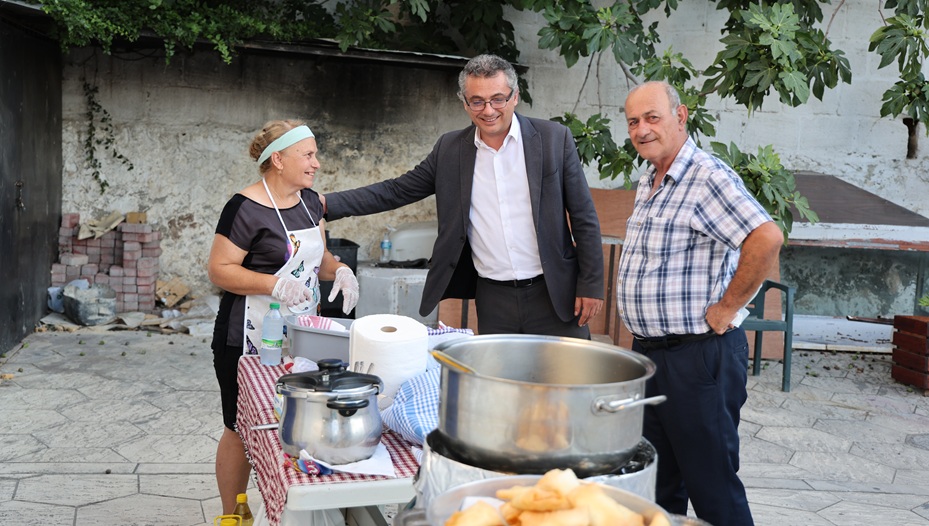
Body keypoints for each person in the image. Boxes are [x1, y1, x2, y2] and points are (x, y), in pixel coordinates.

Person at [322, 54, 604, 337]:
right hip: (494, 298)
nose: (488, 110)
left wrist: (591, 285)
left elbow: (583, 216)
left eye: (498, 99)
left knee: (569, 379)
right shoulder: (450, 149)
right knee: (500, 380)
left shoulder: (554, 138)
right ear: (465, 103)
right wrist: (326, 204)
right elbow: (396, 190)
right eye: (477, 101)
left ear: (515, 97)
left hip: (555, 292)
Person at [617, 81, 783, 526]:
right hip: (652, 356)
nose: (642, 129)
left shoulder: (706, 176)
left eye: (652, 117)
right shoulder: (649, 177)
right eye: (633, 121)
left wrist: (729, 306)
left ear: (681, 115)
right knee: (657, 487)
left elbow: (766, 238)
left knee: (713, 489)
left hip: (698, 357)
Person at [207, 120, 359, 514]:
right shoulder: (244, 208)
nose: (317, 164)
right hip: (248, 336)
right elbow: (220, 269)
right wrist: (272, 285)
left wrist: (339, 269)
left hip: (304, 335)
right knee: (240, 426)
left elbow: (318, 257)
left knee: (301, 420)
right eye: (308, 155)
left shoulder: (310, 201)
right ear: (278, 159)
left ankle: (293, 505)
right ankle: (232, 513)